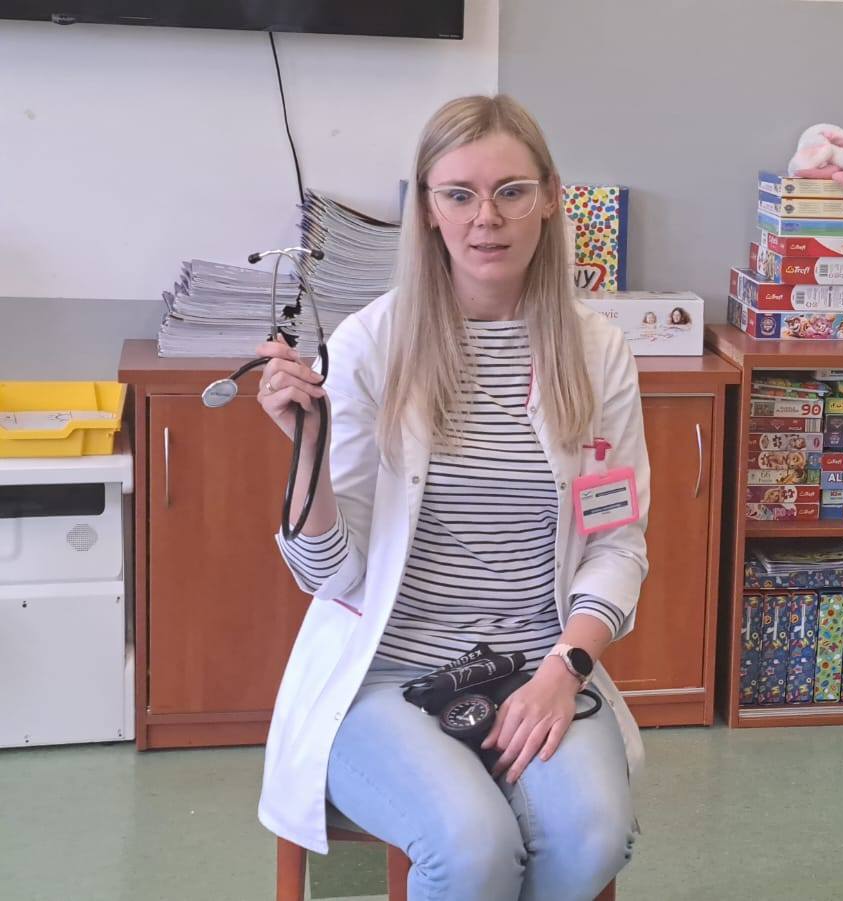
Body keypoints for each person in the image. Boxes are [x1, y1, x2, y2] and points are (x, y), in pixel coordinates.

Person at [251, 94, 648, 901]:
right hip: (386, 675)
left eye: (511, 191)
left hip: (537, 664)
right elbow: (327, 573)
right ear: (428, 210)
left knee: (594, 836)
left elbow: (616, 542)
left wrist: (566, 668)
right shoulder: (372, 344)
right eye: (459, 194)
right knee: (472, 848)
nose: (485, 218)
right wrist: (309, 451)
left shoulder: (597, 353)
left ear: (550, 198)